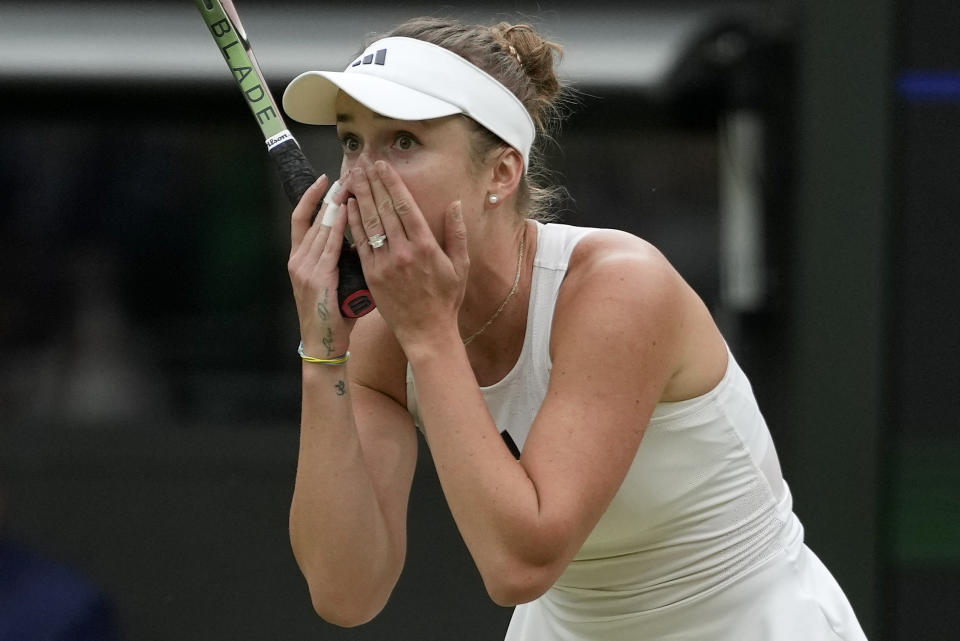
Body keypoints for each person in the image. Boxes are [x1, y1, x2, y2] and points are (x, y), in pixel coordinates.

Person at [279, 16, 868, 640]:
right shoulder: (383, 331)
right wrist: (322, 353)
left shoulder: (619, 287)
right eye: (351, 143)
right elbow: (347, 592)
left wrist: (429, 334)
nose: (361, 178)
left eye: (403, 142)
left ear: (501, 174)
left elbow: (518, 565)